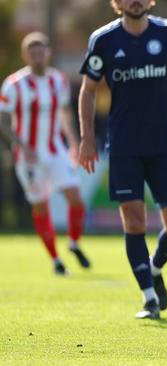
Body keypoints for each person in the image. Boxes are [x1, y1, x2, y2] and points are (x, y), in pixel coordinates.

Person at [78, 0, 167, 319]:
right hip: (124, 147)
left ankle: (156, 269)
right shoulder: (103, 40)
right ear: (116, 3)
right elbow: (88, 90)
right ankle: (148, 297)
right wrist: (87, 138)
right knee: (134, 221)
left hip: (164, 144)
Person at [0, 32, 90, 276]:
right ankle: (55, 259)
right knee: (41, 207)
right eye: (32, 52)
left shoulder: (58, 80)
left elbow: (64, 114)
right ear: (25, 55)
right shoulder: (14, 84)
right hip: (28, 156)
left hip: (55, 150)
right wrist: (21, 145)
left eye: (41, 52)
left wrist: (73, 143)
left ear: (47, 53)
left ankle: (73, 243)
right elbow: (3, 121)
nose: (37, 57)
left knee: (76, 198)